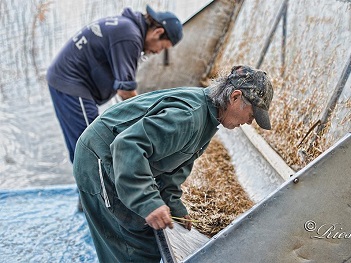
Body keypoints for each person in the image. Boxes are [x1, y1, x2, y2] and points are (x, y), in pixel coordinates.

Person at [73, 65, 274, 262]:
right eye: (252, 114)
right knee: (130, 246)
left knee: (147, 243)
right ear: (235, 97)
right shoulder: (189, 116)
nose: (249, 122)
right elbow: (127, 146)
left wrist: (174, 206)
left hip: (119, 158)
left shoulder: (210, 117)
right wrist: (148, 201)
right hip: (99, 157)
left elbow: (175, 166)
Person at [47, 5, 182, 211]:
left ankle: (87, 200)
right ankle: (95, 206)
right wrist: (150, 123)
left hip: (70, 83)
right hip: (71, 84)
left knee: (84, 144)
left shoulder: (127, 29)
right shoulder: (129, 36)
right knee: (90, 146)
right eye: (162, 47)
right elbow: (125, 92)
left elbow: (123, 88)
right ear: (158, 32)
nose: (157, 52)